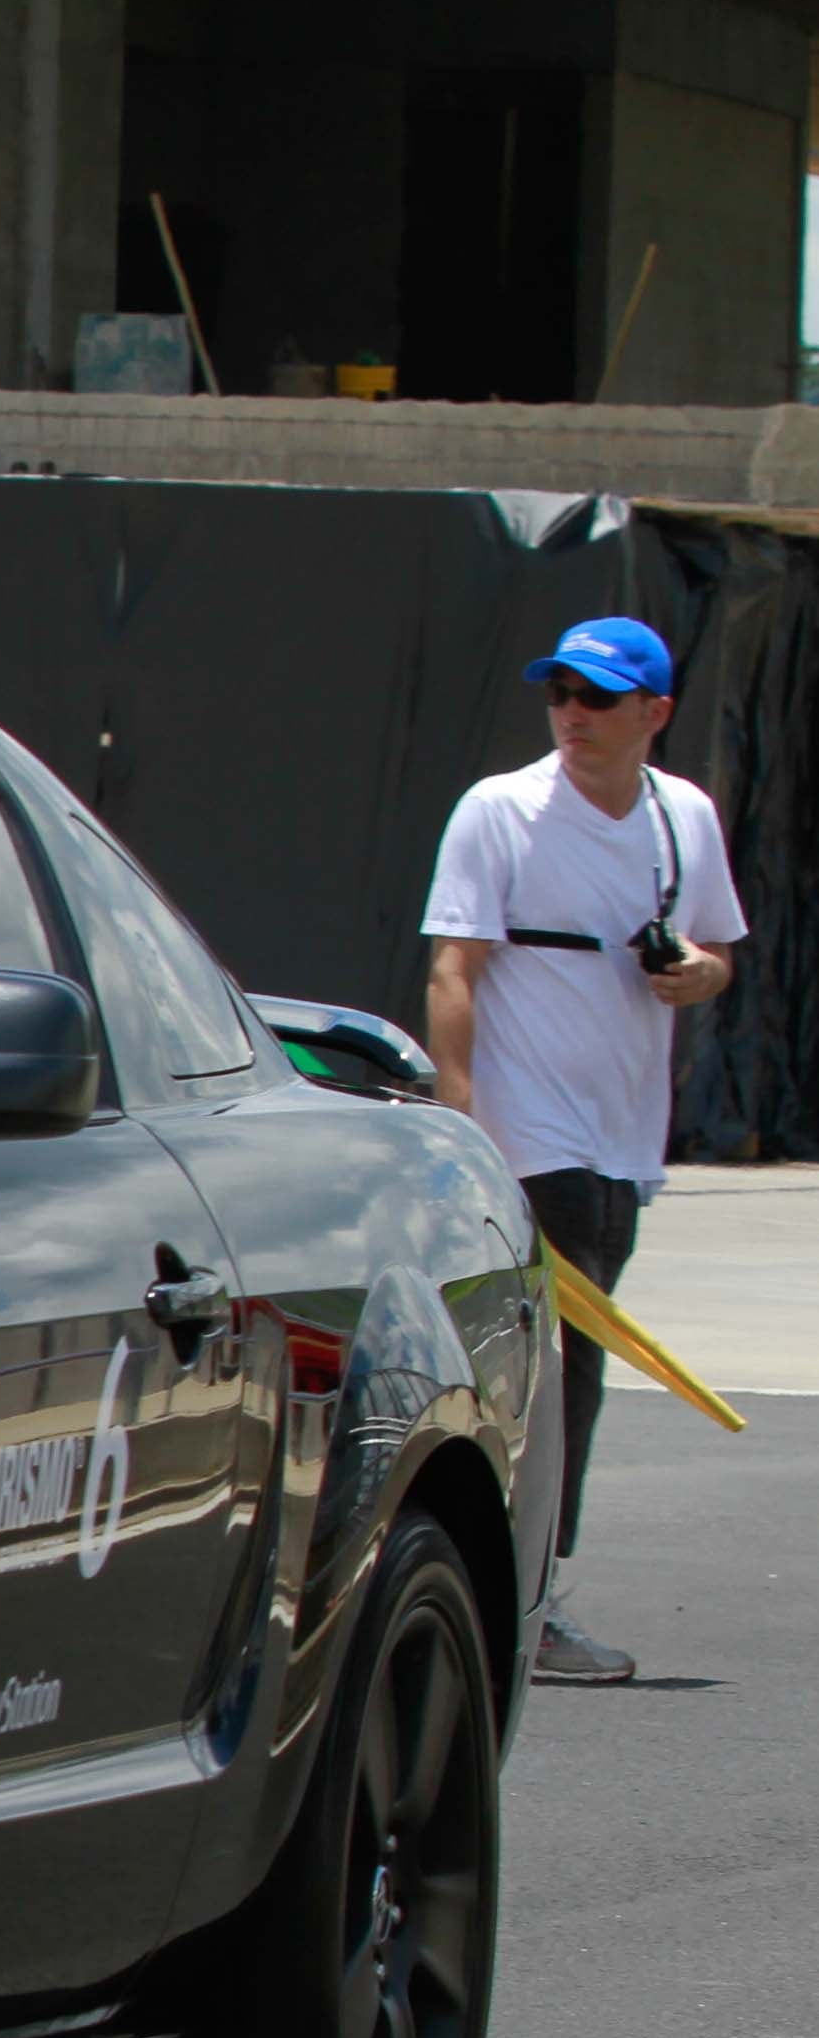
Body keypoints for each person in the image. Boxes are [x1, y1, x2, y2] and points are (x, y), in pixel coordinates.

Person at [419, 615, 744, 1683]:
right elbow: (453, 972)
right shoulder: (502, 810)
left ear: (654, 713)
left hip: (623, 1146)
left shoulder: (681, 816)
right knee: (558, 1379)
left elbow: (716, 959)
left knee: (568, 1381)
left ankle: (514, 1591)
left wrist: (697, 974)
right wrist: (463, 1130)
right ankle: (526, 1603)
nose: (572, 713)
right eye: (559, 690)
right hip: (527, 1140)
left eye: (598, 697)